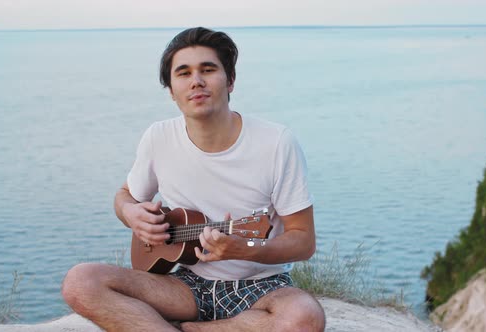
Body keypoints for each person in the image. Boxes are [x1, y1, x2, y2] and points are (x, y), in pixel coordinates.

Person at [61, 27, 325, 331]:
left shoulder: (277, 142)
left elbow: (303, 240)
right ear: (172, 91)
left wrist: (249, 249)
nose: (196, 81)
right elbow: (125, 195)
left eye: (208, 69)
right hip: (185, 285)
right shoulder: (158, 137)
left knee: (304, 317)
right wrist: (130, 213)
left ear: (231, 81)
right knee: (81, 282)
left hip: (260, 286)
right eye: (183, 73)